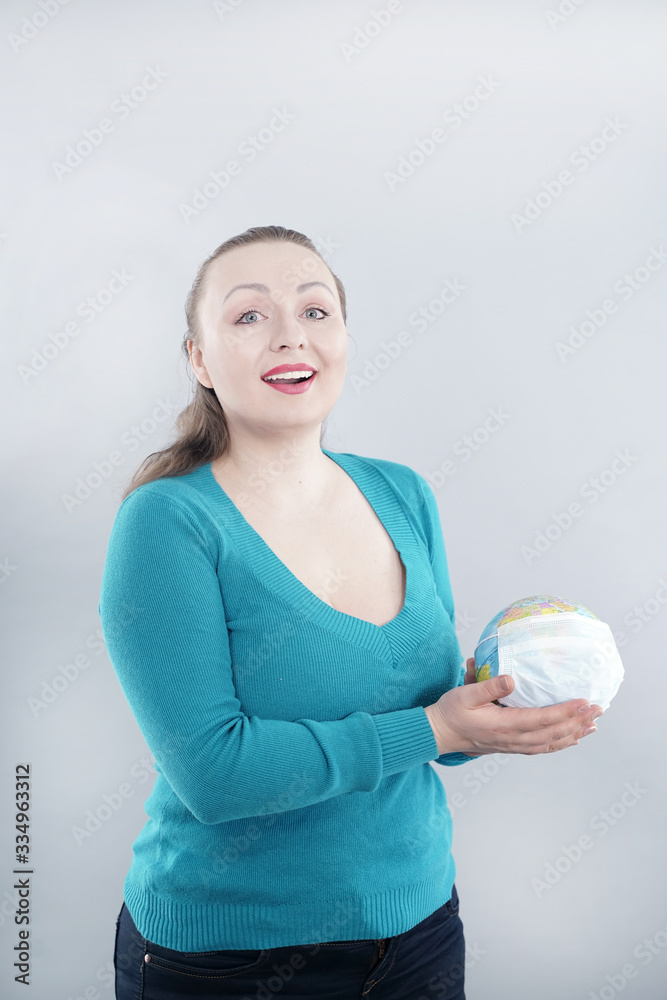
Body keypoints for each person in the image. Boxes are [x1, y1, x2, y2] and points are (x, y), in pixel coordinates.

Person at [99, 225, 602, 999]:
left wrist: (496, 717)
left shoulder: (401, 493)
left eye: (314, 310)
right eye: (248, 317)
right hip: (230, 961)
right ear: (199, 360)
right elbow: (216, 774)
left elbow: (429, 726)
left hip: (419, 932)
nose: (289, 336)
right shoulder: (168, 524)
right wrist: (440, 727)